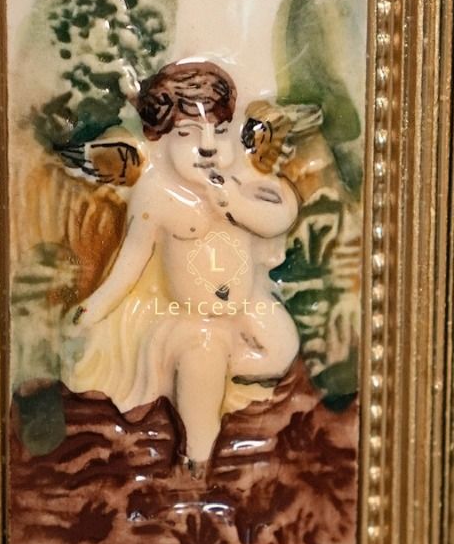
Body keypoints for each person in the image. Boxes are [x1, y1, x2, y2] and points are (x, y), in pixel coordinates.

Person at [69, 59, 300, 468]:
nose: (208, 146)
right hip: (194, 319)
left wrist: (235, 203)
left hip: (247, 306)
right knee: (202, 360)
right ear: (161, 139)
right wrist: (96, 306)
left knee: (283, 348)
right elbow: (132, 259)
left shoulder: (242, 182)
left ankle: (224, 381)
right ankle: (197, 456)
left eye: (220, 131)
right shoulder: (157, 195)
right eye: (188, 133)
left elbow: (281, 215)